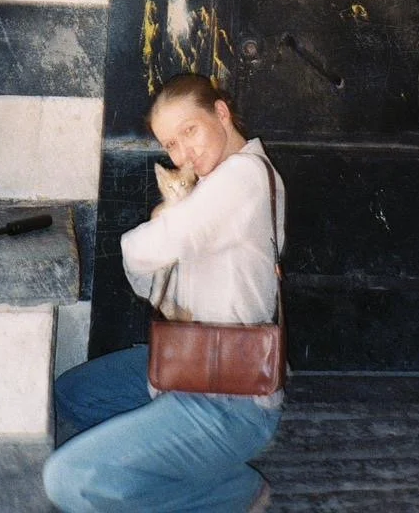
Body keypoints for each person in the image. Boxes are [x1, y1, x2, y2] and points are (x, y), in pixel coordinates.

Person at [43, 73, 286, 512]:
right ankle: (205, 474)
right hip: (189, 362)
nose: (183, 152)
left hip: (231, 398)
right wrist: (162, 233)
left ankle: (229, 493)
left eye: (189, 130)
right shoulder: (209, 187)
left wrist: (158, 229)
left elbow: (141, 249)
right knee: (73, 394)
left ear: (222, 113)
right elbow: (149, 286)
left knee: (69, 479)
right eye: (171, 144)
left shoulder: (244, 177)